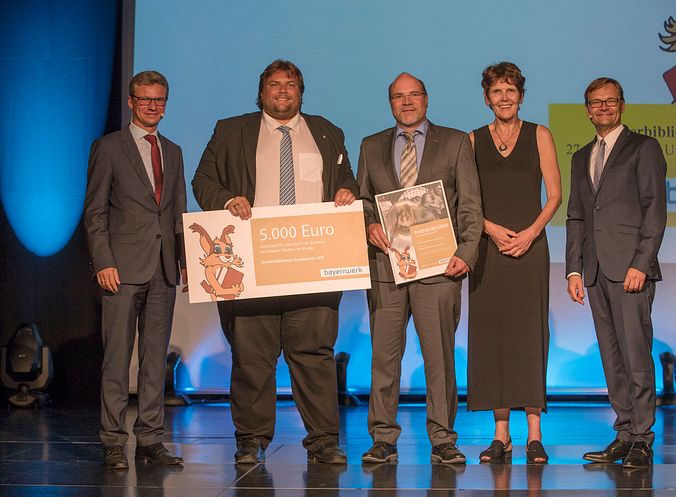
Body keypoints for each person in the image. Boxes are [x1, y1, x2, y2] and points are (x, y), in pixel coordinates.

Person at [192, 60, 358, 465]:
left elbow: (348, 181)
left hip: (311, 263)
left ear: (301, 91)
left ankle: (323, 441)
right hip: (252, 267)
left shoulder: (326, 131)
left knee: (315, 355)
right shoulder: (230, 130)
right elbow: (202, 182)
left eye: (290, 85)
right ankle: (251, 440)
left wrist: (346, 193)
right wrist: (227, 201)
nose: (283, 91)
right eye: (274, 85)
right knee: (251, 357)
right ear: (261, 91)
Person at [357, 72, 483, 465]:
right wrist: (369, 224)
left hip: (439, 269)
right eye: (398, 96)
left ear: (426, 100)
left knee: (440, 359)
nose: (407, 102)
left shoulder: (456, 141)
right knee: (383, 358)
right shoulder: (370, 145)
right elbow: (362, 201)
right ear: (390, 103)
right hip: (386, 269)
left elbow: (471, 206)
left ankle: (443, 439)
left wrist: (466, 252)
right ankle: (383, 439)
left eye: (414, 95)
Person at [84, 70, 187, 469]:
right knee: (116, 358)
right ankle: (113, 442)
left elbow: (176, 212)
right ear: (131, 102)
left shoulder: (174, 150)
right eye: (145, 100)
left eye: (159, 100)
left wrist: (186, 262)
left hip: (164, 271)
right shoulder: (109, 147)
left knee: (154, 358)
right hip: (121, 269)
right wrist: (103, 261)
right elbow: (95, 211)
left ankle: (150, 441)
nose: (152, 106)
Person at [566, 77, 667, 468]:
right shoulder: (580, 157)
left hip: (630, 270)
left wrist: (641, 263)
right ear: (587, 109)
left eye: (610, 101)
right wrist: (573, 270)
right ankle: (624, 433)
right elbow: (576, 216)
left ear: (622, 105)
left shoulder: (643, 147)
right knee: (612, 357)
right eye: (596, 102)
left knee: (636, 355)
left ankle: (643, 438)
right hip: (593, 271)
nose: (603, 108)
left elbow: (654, 209)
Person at [467, 62, 561, 464]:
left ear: (521, 95)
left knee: (528, 336)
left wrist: (529, 233)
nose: (504, 98)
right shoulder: (471, 140)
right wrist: (488, 228)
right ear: (487, 97)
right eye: (496, 92)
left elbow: (555, 195)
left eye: (510, 91)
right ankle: (500, 434)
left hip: (529, 249)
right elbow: (466, 199)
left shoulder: (540, 134)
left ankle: (534, 435)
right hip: (489, 249)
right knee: (493, 338)